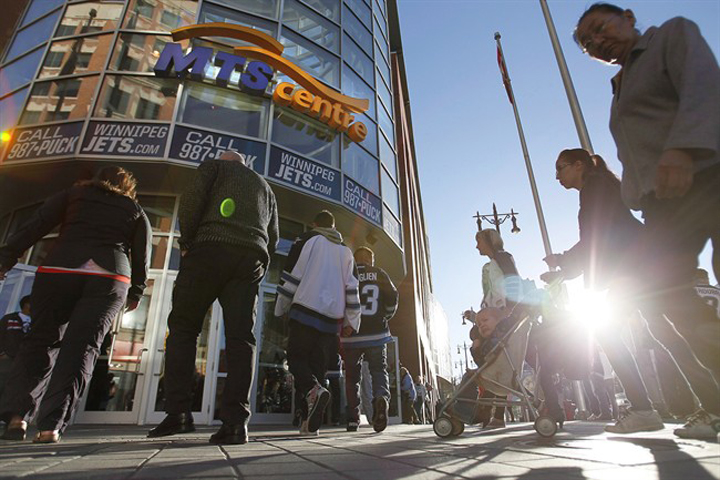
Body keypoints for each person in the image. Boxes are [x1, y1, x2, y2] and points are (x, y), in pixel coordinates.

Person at [575, 3, 720, 438]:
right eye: (588, 44)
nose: (598, 42)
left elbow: (704, 87)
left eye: (600, 28)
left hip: (707, 173)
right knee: (670, 302)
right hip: (664, 204)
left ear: (627, 15)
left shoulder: (671, 37)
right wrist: (637, 195)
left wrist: (683, 149)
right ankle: (715, 407)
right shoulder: (619, 85)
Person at [542, 148, 720, 438]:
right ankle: (707, 407)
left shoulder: (594, 189)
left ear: (578, 165)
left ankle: (644, 409)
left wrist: (562, 262)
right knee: (673, 334)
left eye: (560, 168)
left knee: (615, 332)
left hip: (637, 271)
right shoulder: (598, 188)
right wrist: (564, 267)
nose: (557, 176)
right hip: (644, 267)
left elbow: (595, 240)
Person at [0, 166, 151, 443]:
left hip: (61, 270)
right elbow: (142, 254)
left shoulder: (73, 195)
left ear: (96, 181)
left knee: (40, 341)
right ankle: (51, 427)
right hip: (109, 277)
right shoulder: (134, 209)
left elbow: (36, 225)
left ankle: (17, 418)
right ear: (128, 186)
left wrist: (6, 258)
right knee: (83, 348)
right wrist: (136, 291)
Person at [148, 150, 278, 445]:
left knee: (183, 327)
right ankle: (235, 423)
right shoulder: (265, 187)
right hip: (250, 260)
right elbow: (273, 233)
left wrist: (187, 242)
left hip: (209, 249)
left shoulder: (213, 168)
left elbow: (192, 201)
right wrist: (260, 261)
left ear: (225, 160)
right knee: (241, 339)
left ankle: (178, 414)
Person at [275, 210, 360, 436]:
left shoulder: (309, 240)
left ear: (314, 224)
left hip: (305, 309)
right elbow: (352, 289)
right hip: (331, 320)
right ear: (333, 227)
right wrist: (351, 321)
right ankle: (309, 423)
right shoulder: (346, 252)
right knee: (317, 368)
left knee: (296, 359)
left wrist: (281, 304)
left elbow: (293, 272)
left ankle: (310, 402)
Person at [340, 246, 398, 433]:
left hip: (352, 334)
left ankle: (352, 418)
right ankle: (381, 397)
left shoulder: (349, 273)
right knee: (378, 369)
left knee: (352, 376)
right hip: (376, 333)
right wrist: (385, 316)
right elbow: (393, 297)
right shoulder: (379, 273)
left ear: (356, 259)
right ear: (370, 259)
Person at [0, 295, 32, 398]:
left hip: (25, 368)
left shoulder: (38, 323)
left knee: (14, 397)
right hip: (5, 365)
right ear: (27, 304)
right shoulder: (9, 319)